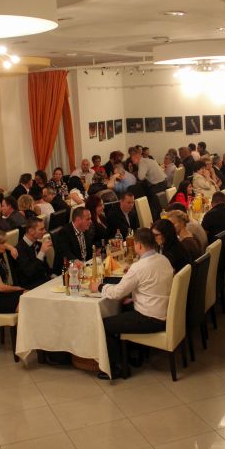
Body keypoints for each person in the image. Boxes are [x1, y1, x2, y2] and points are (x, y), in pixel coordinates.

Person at [89, 228, 174, 379]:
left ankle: (119, 368)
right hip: (164, 312)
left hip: (151, 318)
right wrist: (135, 298)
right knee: (125, 306)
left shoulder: (139, 267)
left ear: (139, 245)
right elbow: (156, 286)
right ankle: (129, 355)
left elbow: (116, 293)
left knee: (104, 324)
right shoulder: (163, 259)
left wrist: (99, 287)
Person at [13, 216, 53, 286]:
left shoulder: (39, 244)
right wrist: (42, 252)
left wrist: (53, 276)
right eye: (41, 229)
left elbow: (45, 267)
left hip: (44, 281)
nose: (45, 231)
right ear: (31, 231)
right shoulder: (19, 249)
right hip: (31, 286)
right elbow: (29, 272)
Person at [130, 146, 168, 216]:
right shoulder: (148, 159)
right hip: (164, 182)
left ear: (136, 156)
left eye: (132, 157)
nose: (132, 160)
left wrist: (135, 173)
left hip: (158, 185)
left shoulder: (142, 163)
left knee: (154, 206)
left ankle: (154, 219)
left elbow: (141, 177)